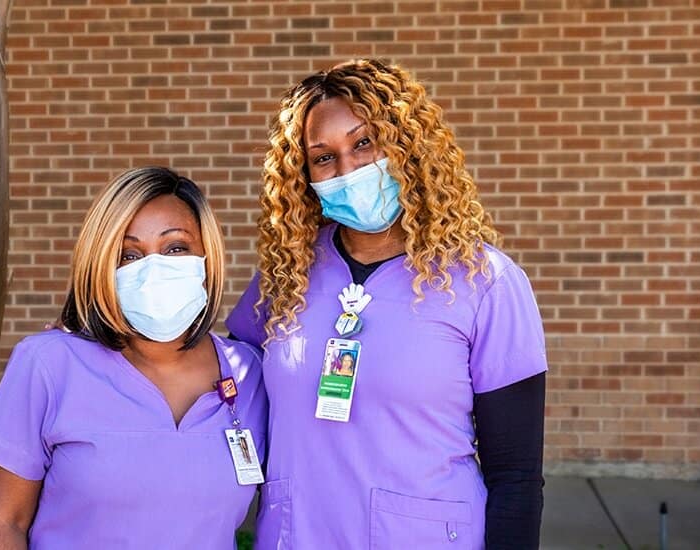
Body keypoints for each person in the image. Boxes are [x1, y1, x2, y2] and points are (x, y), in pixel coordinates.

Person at [227, 59, 548, 549]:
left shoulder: (487, 282)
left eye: (363, 143)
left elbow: (517, 476)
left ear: (406, 145)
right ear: (303, 174)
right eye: (323, 157)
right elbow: (225, 391)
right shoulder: (286, 274)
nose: (348, 168)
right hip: (298, 536)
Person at [0, 167, 267, 549]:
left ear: (207, 257)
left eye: (176, 248)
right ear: (103, 266)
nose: (154, 268)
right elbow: (3, 524)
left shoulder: (250, 376)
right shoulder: (48, 365)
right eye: (129, 255)